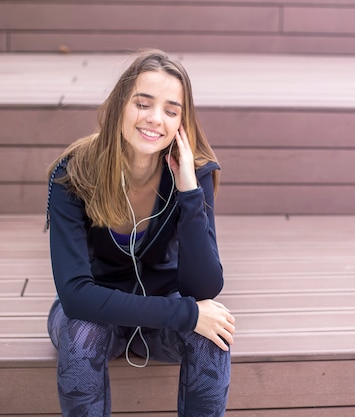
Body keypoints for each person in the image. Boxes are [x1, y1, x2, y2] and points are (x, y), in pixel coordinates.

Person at [44, 48, 235, 417]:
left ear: (182, 121)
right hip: (95, 315)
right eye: (143, 104)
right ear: (119, 107)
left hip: (160, 321)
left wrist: (189, 193)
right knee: (83, 331)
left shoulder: (195, 174)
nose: (154, 119)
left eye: (170, 110)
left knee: (214, 334)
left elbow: (205, 288)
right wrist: (185, 314)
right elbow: (76, 298)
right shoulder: (72, 175)